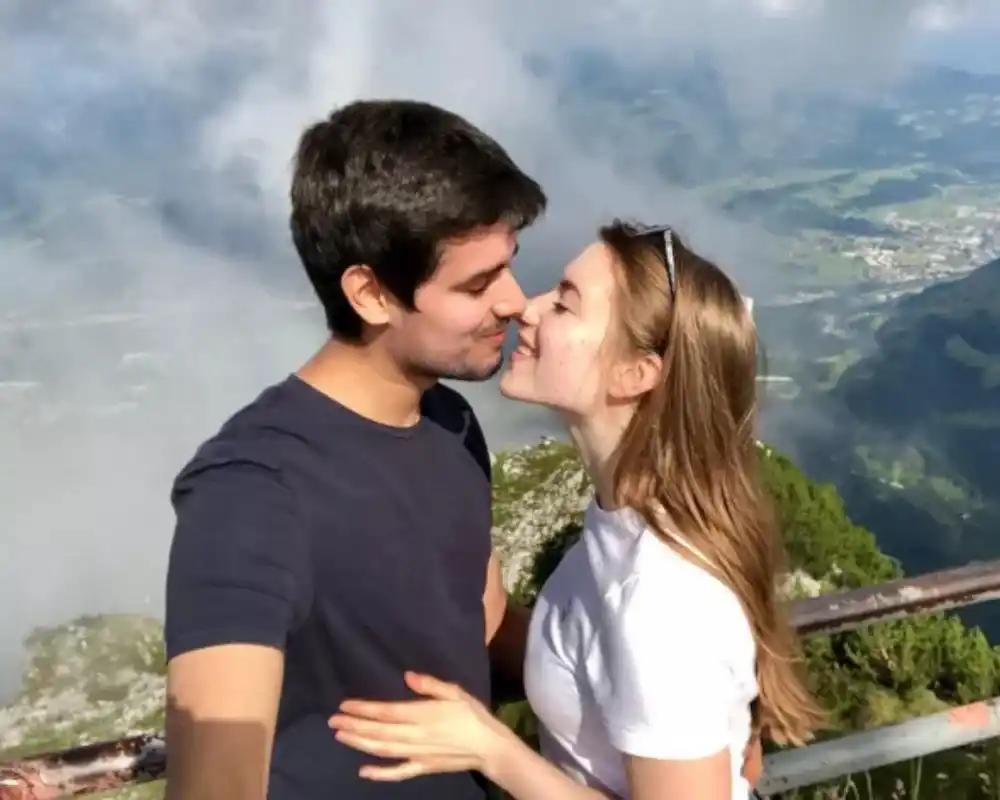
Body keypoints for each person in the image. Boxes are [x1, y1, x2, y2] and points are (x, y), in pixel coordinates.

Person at [327, 221, 824, 799]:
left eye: (565, 304)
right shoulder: (631, 524)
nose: (526, 308)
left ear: (634, 373)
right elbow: (741, 758)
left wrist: (490, 747)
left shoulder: (660, 598)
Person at [162, 99, 547, 800]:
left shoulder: (450, 420)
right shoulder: (250, 491)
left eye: (508, 267)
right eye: (477, 283)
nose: (517, 302)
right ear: (370, 294)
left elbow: (480, 628)